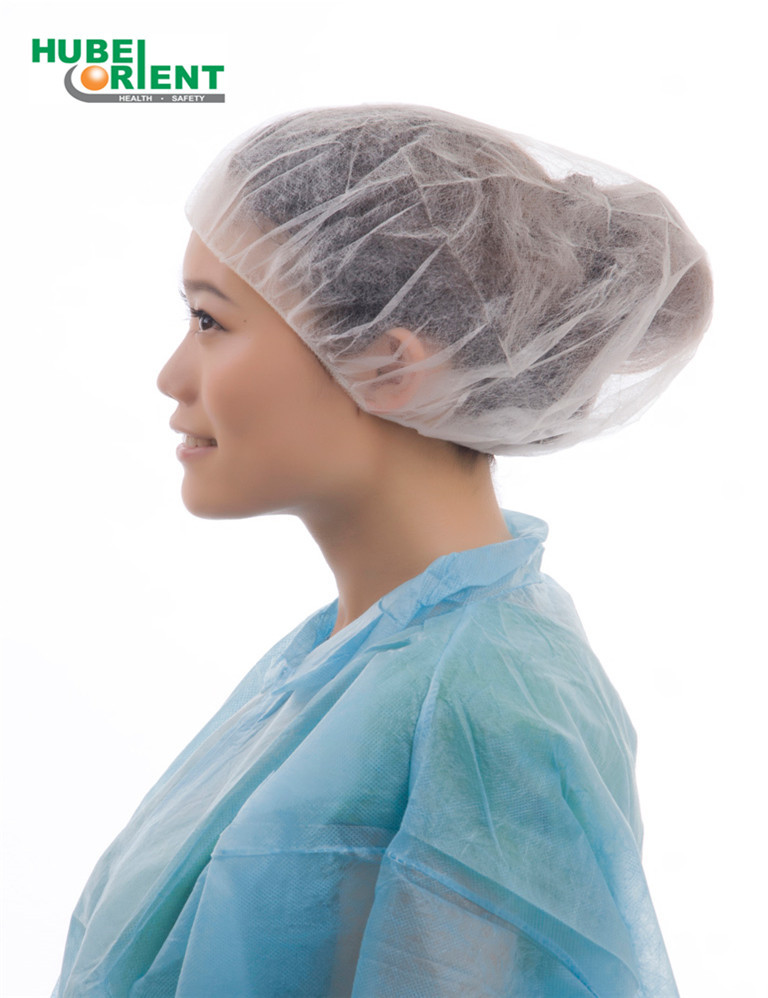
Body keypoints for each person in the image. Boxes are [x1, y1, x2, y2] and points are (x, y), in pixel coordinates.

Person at [51, 104, 712, 997]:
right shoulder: (346, 655)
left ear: (391, 365)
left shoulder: (484, 701)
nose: (172, 376)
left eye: (210, 321)